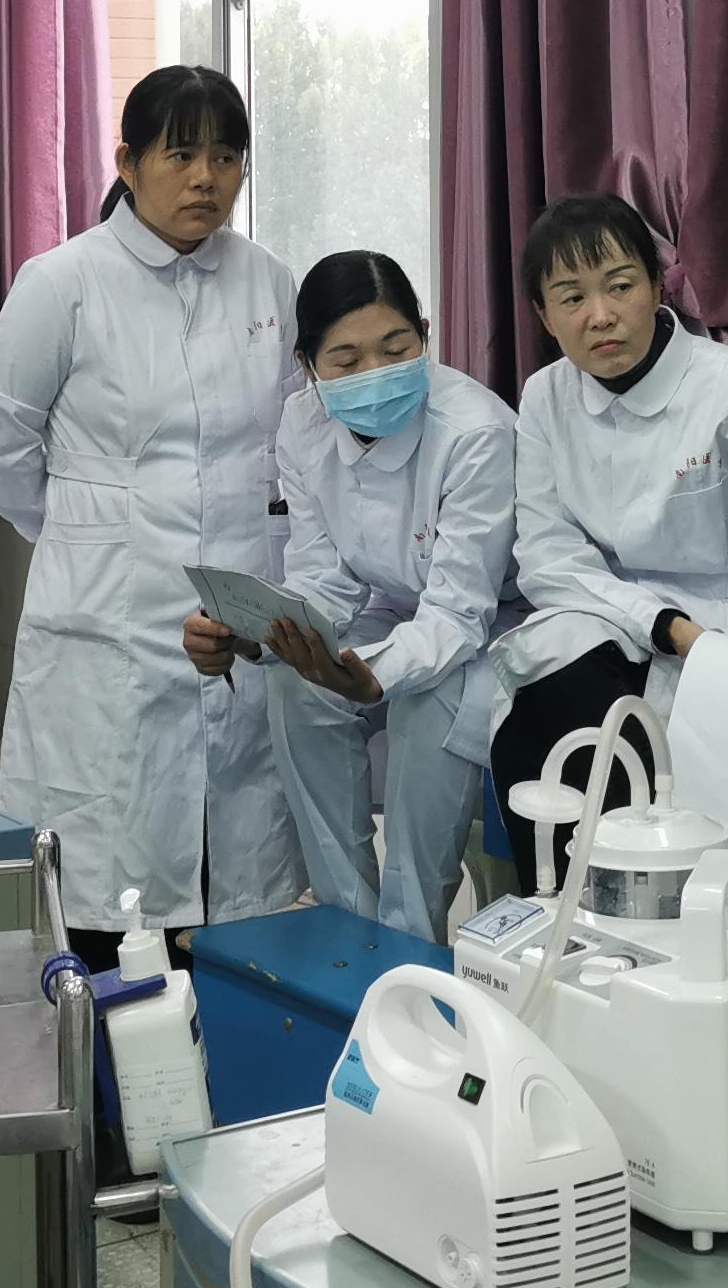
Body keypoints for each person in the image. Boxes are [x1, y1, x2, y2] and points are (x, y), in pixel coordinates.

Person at [0, 65, 302, 962]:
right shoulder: (64, 280)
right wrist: (89, 536)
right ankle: (101, 1030)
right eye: (180, 155)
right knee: (104, 871)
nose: (205, 179)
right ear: (127, 162)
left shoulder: (269, 283)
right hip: (102, 618)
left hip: (236, 612)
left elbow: (293, 442)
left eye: (225, 158)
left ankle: (218, 1025)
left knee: (233, 863)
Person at [492, 194, 728, 859]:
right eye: (571, 298)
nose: (600, 315)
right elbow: (548, 556)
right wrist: (661, 625)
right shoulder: (545, 396)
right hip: (608, 627)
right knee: (547, 707)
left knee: (723, 861)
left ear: (658, 285)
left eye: (620, 286)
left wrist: (724, 653)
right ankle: (563, 906)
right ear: (543, 316)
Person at [206, 251, 515, 944]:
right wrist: (260, 632)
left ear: (425, 336)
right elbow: (325, 575)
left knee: (430, 701)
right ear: (307, 365)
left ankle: (410, 933)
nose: (374, 373)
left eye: (396, 349)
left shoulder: (474, 432)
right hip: (394, 605)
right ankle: (346, 920)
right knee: (298, 687)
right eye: (345, 360)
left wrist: (374, 675)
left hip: (497, 621)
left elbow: (460, 611)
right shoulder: (303, 424)